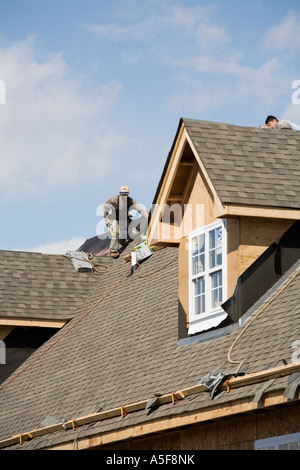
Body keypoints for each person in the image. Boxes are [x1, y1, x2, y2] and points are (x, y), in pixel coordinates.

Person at [103, 186, 148, 258]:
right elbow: (105, 207)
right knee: (116, 232)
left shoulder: (130, 201)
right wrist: (106, 219)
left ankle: (123, 239)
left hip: (125, 218)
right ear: (120, 194)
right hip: (115, 218)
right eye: (122, 194)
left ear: (128, 194)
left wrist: (148, 217)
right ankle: (113, 251)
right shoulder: (114, 199)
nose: (124, 196)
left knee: (135, 233)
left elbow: (140, 210)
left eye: (125, 194)